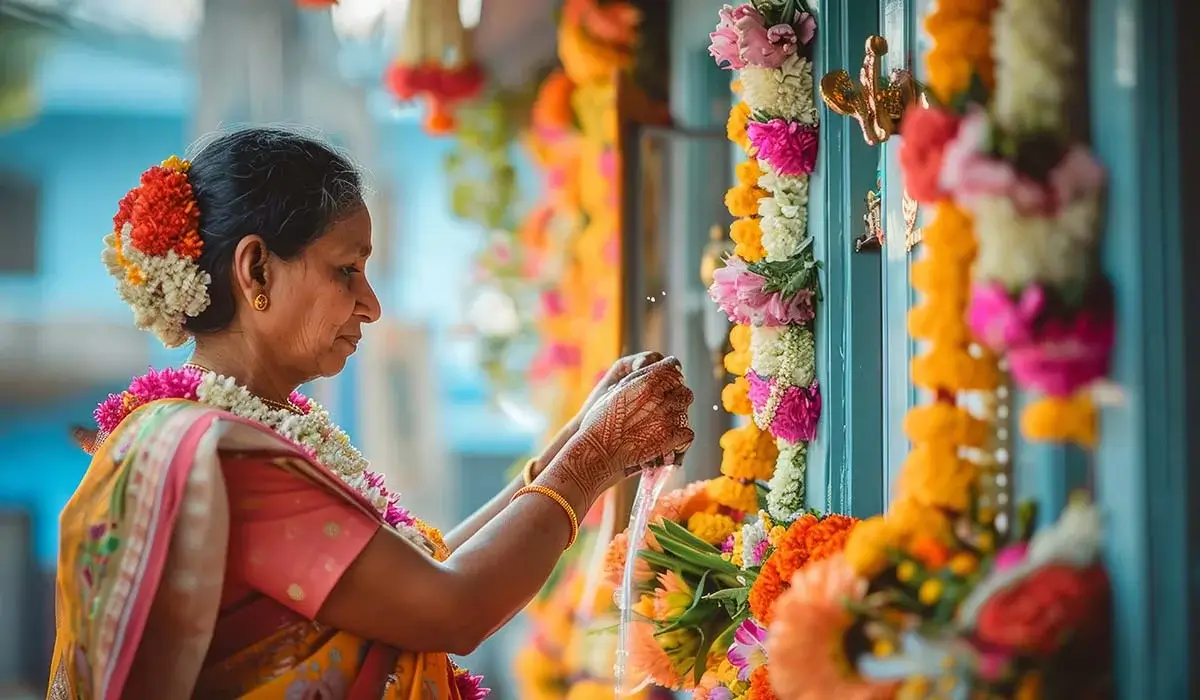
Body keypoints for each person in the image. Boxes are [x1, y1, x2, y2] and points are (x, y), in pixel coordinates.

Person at [48, 127, 695, 700]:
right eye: (346, 270)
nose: (370, 304)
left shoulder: (231, 430)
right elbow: (451, 607)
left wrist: (580, 440)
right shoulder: (224, 458)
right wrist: (592, 458)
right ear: (255, 272)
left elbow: (426, 570)